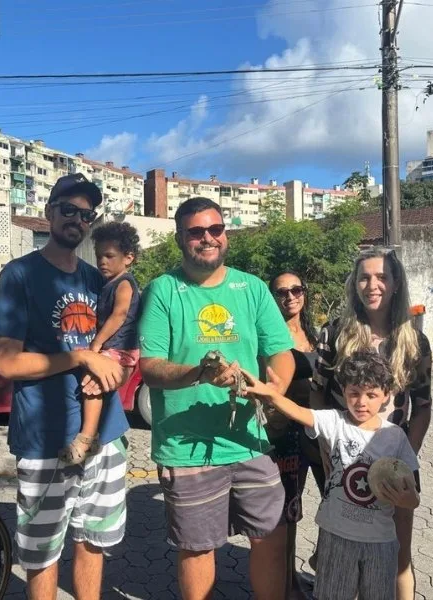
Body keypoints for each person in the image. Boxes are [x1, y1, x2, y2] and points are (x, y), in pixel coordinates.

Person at [136, 196, 295, 600]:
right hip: (187, 448)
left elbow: (280, 352)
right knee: (198, 548)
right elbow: (150, 366)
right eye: (196, 232)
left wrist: (276, 389)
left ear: (225, 233)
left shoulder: (252, 288)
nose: (207, 238)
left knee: (272, 536)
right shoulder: (163, 291)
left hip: (249, 440)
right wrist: (198, 374)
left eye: (216, 229)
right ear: (179, 239)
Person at [0, 173, 131, 600]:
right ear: (50, 213)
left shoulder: (98, 279)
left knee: (93, 542)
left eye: (87, 214)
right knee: (42, 553)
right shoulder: (20, 274)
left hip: (105, 435)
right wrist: (80, 356)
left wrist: (112, 365)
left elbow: (120, 350)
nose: (78, 220)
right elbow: (7, 362)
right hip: (44, 438)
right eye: (69, 210)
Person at [243, 349, 421, 600]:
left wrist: (408, 501)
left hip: (381, 542)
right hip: (336, 537)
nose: (361, 402)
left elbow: (412, 494)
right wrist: (272, 395)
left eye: (371, 395)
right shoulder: (335, 422)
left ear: (386, 396)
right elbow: (299, 412)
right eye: (354, 393)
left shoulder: (395, 437)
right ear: (343, 391)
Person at [311, 246, 432, 600]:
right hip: (344, 460)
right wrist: (327, 451)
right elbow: (318, 395)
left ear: (395, 284)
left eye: (381, 277)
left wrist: (403, 457)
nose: (372, 285)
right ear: (354, 284)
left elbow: (422, 406)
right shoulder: (334, 332)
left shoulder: (414, 341)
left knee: (399, 556)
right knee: (340, 545)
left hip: (395, 463)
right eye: (364, 277)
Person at [58, 221, 142, 465]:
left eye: (109, 256)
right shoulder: (108, 284)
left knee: (92, 382)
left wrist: (96, 345)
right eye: (98, 256)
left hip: (121, 348)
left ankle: (87, 437)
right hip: (114, 348)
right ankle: (90, 436)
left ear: (128, 258)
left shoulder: (125, 283)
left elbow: (119, 314)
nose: (102, 261)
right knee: (92, 382)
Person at [265, 272, 323, 599]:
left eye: (296, 289)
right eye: (281, 291)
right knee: (289, 513)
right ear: (273, 297)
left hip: (318, 432)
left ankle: (319, 563)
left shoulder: (314, 334)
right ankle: (287, 583)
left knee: (335, 500)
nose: (290, 297)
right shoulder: (271, 337)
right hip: (286, 435)